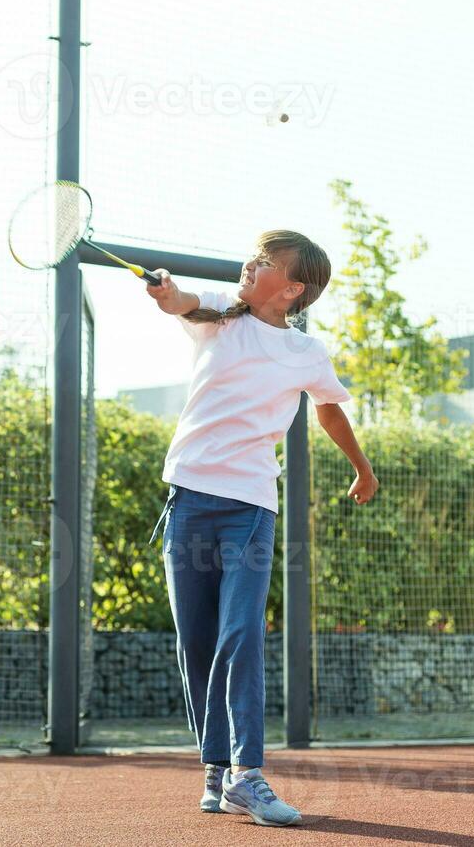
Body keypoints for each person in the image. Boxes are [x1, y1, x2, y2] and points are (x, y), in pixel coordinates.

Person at [145, 229, 378, 827]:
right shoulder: (218, 319)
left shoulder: (307, 353)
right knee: (195, 641)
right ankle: (217, 771)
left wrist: (363, 468)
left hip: (249, 506)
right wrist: (165, 290)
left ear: (293, 288)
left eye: (266, 262)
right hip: (190, 502)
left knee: (240, 632)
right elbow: (178, 301)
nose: (251, 264)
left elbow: (327, 406)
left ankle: (248, 773)